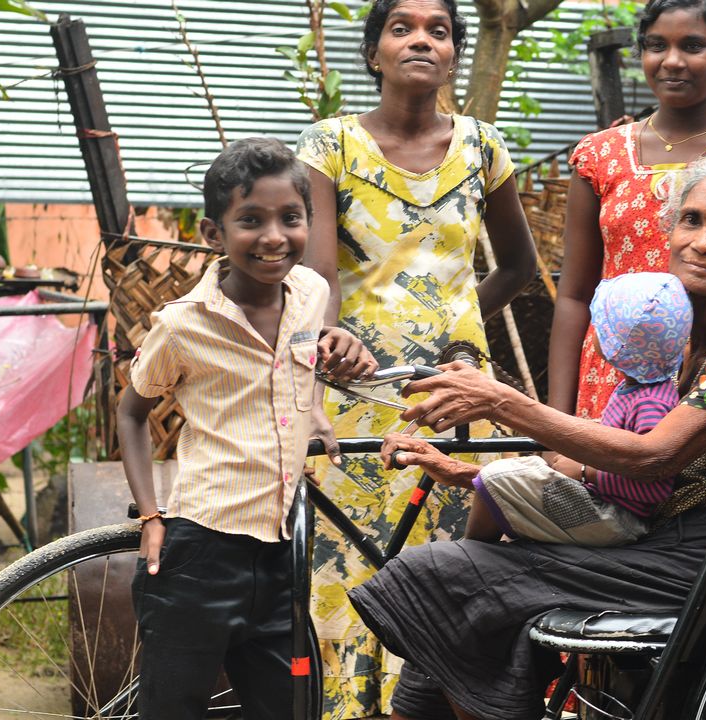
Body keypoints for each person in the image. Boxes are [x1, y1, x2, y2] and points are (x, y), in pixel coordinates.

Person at [348, 159, 706, 720]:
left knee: (442, 576)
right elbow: (603, 458)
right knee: (445, 598)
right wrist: (466, 472)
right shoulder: (671, 338)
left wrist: (501, 402)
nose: (703, 242)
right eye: (691, 220)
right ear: (669, 232)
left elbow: (654, 456)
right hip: (643, 534)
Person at [294, 0, 537, 712]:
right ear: (374, 53)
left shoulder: (482, 147)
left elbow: (518, 266)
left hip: (460, 393)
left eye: (440, 30)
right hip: (355, 391)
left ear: (455, 52)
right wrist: (330, 339)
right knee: (350, 564)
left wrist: (455, 324)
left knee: (455, 563)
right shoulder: (330, 145)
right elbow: (316, 274)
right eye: (402, 28)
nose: (422, 40)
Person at [115, 137, 377, 719]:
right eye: (251, 220)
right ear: (214, 233)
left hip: (282, 553)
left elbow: (299, 359)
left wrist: (321, 384)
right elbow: (131, 412)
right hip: (199, 554)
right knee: (172, 709)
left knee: (288, 707)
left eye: (291, 218)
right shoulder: (183, 326)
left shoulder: (311, 293)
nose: (274, 237)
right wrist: (151, 516)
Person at [547, 0, 706, 422]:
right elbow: (574, 296)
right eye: (657, 46)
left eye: (692, 46)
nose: (671, 61)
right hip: (609, 378)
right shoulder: (599, 156)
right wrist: (555, 423)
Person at [412, 271, 693, 547]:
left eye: (600, 326)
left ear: (615, 347)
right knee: (518, 470)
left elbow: (655, 487)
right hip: (603, 505)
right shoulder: (639, 387)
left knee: (497, 480)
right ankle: (479, 548)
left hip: (617, 519)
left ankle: (472, 551)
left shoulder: (650, 403)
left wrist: (584, 471)